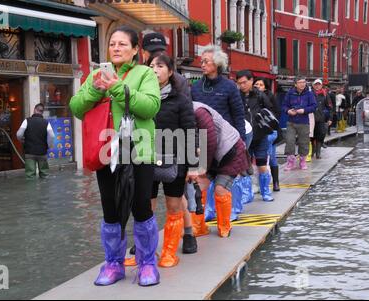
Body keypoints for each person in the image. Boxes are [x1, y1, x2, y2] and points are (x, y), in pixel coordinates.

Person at [69, 26, 161, 287]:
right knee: (110, 208)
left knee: (141, 207)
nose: (117, 48)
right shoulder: (97, 74)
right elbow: (76, 107)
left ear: (135, 51)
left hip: (139, 151)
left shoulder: (145, 74)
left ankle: (147, 264)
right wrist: (96, 90)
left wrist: (118, 88)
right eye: (112, 44)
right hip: (106, 151)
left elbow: (151, 107)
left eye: (123, 44)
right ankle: (113, 264)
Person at [148, 52, 197, 266]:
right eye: (151, 66)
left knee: (174, 205)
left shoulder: (182, 100)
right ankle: (147, 250)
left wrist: (194, 166)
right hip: (145, 158)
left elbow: (191, 132)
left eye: (159, 66)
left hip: (175, 159)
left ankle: (169, 251)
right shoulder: (141, 98)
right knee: (144, 206)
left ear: (169, 71)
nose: (154, 70)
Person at [188, 101, 250, 238]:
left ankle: (224, 227)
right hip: (209, 156)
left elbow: (210, 142)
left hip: (230, 152)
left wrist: (203, 167)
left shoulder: (199, 112)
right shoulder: (179, 115)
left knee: (220, 189)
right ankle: (198, 227)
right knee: (197, 185)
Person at [191, 45, 246, 142]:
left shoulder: (230, 86)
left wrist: (241, 140)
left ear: (217, 63)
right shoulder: (195, 87)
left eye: (206, 61)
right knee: (205, 158)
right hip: (203, 139)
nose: (202, 65)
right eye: (201, 62)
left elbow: (238, 115)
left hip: (225, 138)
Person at [236, 70, 276, 202]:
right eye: (239, 83)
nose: (242, 85)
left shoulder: (260, 95)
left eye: (244, 82)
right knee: (244, 166)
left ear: (251, 80)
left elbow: (271, 112)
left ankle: (265, 191)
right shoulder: (235, 96)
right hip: (243, 136)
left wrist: (270, 130)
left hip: (260, 135)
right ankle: (247, 193)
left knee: (262, 163)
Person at [282, 76, 317, 171]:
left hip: (304, 121)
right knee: (289, 141)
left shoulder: (309, 94)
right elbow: (284, 106)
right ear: (295, 84)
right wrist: (288, 111)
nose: (302, 84)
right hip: (291, 121)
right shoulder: (290, 93)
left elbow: (314, 106)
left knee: (304, 142)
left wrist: (304, 110)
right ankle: (290, 162)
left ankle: (302, 161)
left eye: (304, 82)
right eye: (300, 82)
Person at [141, 32, 190, 98]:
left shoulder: (180, 81)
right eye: (152, 52)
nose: (157, 56)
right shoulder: (136, 78)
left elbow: (186, 105)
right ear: (142, 52)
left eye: (161, 52)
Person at [253, 77, 282, 191]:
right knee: (257, 159)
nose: (258, 86)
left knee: (271, 157)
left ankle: (275, 182)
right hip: (255, 131)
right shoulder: (250, 97)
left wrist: (268, 122)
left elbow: (277, 113)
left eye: (261, 84)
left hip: (269, 131)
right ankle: (260, 184)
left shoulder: (269, 97)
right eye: (257, 84)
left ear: (265, 87)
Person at [16, 103, 54, 179]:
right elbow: (52, 136)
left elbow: (19, 134)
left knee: (30, 176)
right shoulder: (46, 122)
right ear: (42, 112)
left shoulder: (27, 121)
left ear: (34, 110)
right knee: (45, 175)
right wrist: (48, 146)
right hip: (42, 152)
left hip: (29, 152)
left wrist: (22, 140)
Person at [311, 79, 332, 159]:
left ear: (321, 85)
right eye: (315, 84)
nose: (317, 86)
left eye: (319, 84)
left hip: (321, 118)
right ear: (313, 85)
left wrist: (330, 118)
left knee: (321, 134)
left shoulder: (325, 94)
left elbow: (330, 107)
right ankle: (313, 151)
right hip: (311, 118)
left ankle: (318, 152)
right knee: (311, 135)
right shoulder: (309, 94)